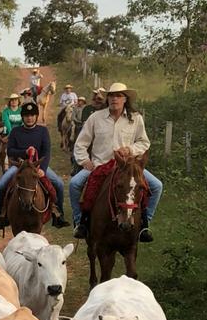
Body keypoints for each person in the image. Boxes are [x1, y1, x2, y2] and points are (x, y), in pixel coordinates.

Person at [69, 83, 162, 242]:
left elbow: (144, 142)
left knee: (156, 186)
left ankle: (144, 225)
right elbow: (81, 143)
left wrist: (130, 149)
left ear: (125, 99)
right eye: (111, 95)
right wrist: (84, 160)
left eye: (118, 96)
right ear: (107, 98)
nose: (114, 99)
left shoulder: (136, 118)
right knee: (74, 184)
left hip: (127, 167)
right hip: (100, 165)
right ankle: (80, 223)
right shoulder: (95, 117)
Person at [0, 101, 68, 229]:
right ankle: (1, 216)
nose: (29, 118)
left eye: (32, 115)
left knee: (59, 184)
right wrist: (24, 152)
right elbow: (10, 150)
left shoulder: (43, 131)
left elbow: (46, 151)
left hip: (38, 166)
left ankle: (58, 215)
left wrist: (43, 169)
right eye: (27, 115)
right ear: (22, 117)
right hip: (19, 166)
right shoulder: (16, 131)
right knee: (0, 185)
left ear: (36, 116)